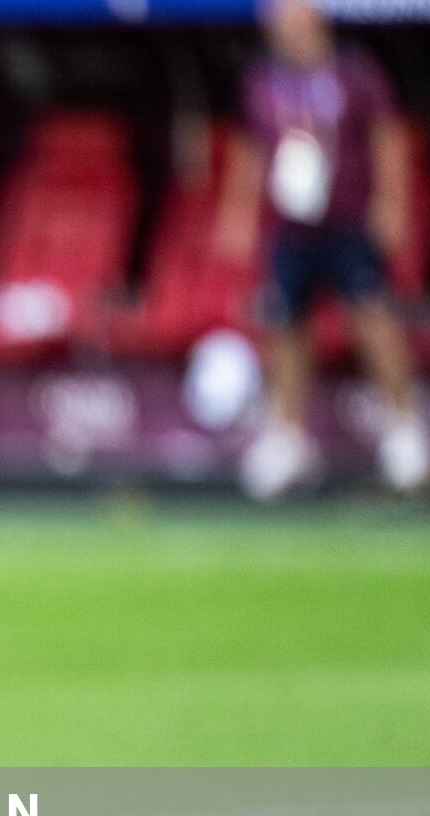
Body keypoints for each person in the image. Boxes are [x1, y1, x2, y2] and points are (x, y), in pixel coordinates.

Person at [217, 0, 428, 499]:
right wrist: (240, 211)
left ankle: (404, 433)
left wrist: (391, 204)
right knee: (286, 327)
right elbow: (250, 149)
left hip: (349, 218)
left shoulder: (355, 74)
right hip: (292, 226)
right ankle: (287, 439)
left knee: (372, 317)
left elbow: (387, 138)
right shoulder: (263, 81)